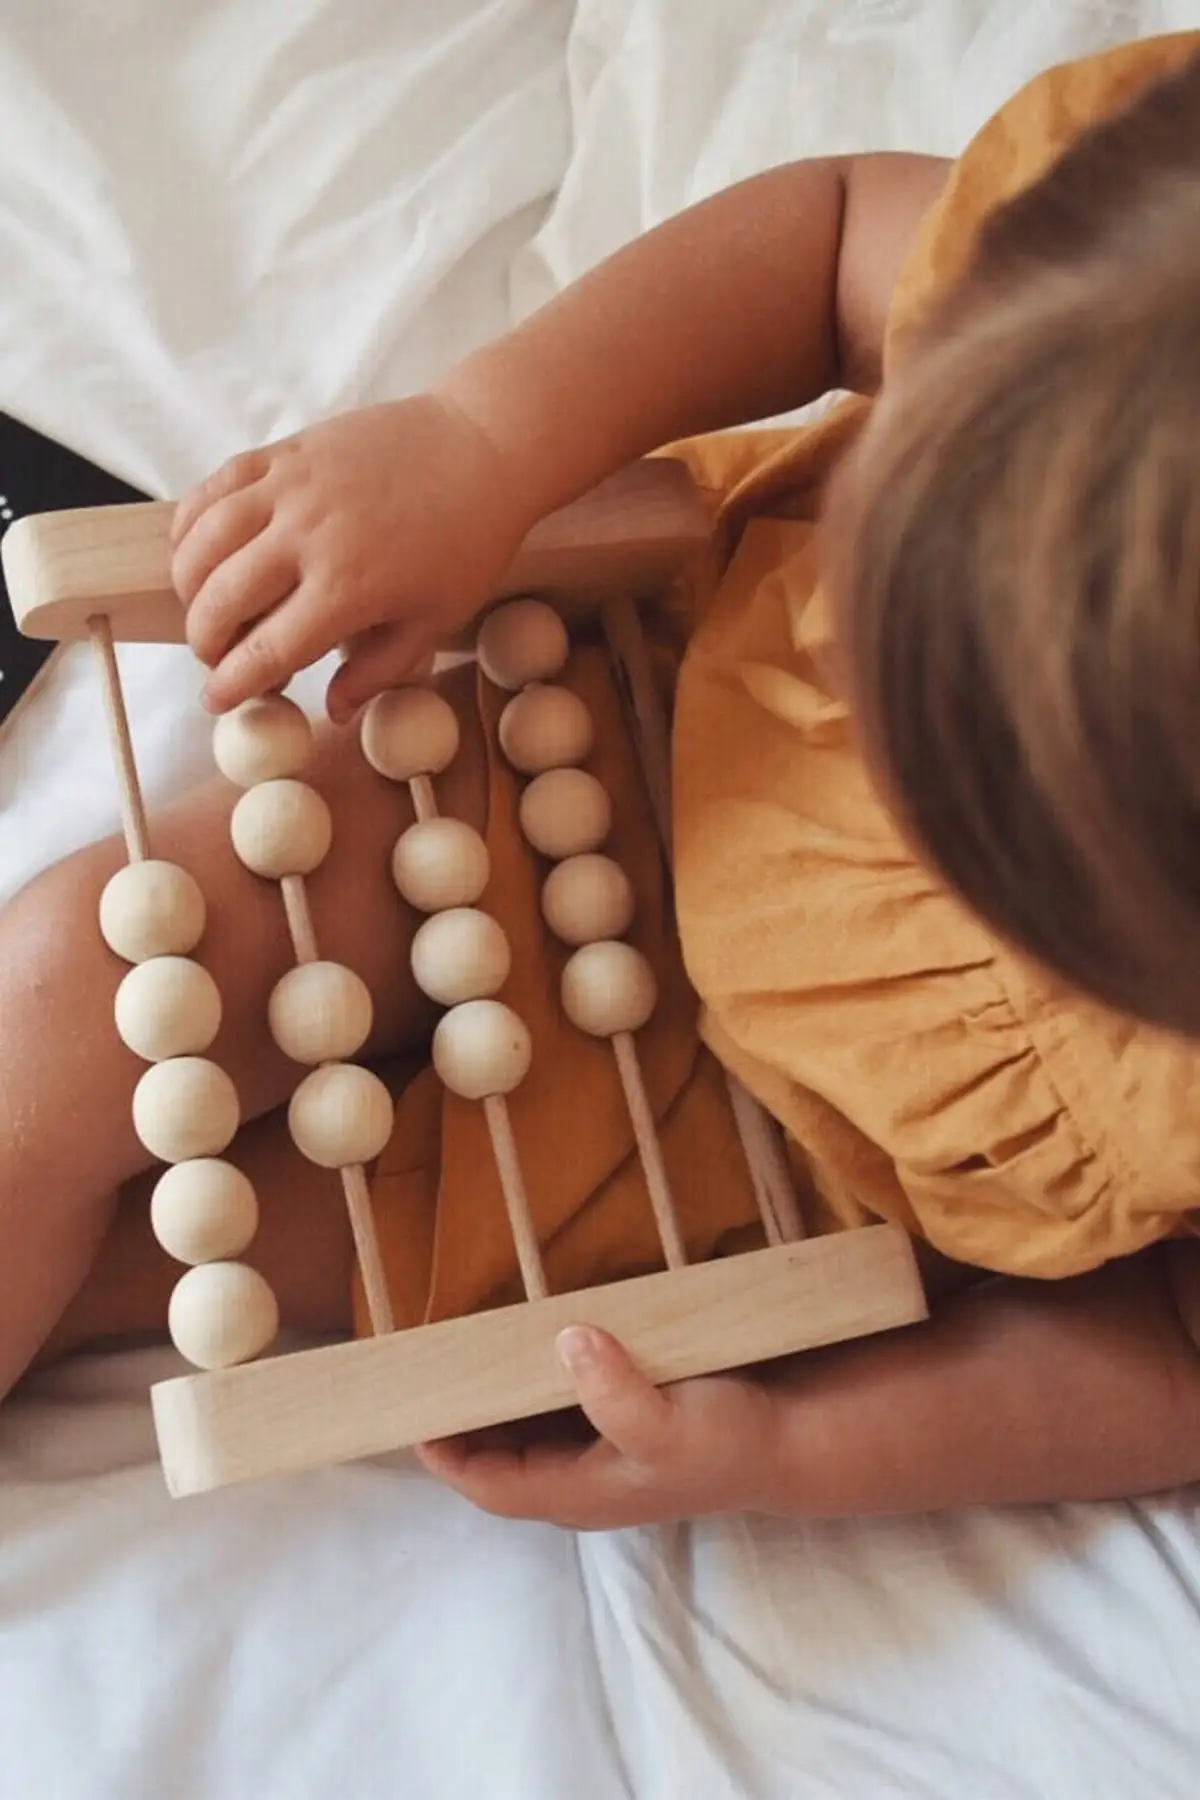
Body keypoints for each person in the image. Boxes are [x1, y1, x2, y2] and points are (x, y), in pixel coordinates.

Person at [4, 33, 1200, 1531]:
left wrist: (797, 1461)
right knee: (74, 985)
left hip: (756, 1181)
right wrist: (479, 438)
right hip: (634, 718)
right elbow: (829, 242)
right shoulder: (1130, 281)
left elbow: (1173, 1356)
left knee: (183, 1249)